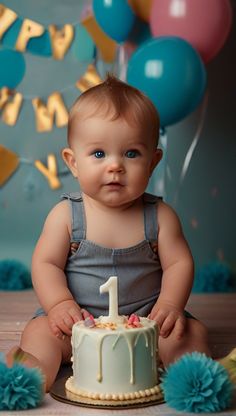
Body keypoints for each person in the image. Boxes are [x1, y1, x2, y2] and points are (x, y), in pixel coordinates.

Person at [7, 75, 211, 392]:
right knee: (40, 333)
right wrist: (59, 303)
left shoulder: (160, 217)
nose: (115, 166)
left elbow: (179, 264)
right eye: (99, 154)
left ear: (153, 161)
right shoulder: (66, 216)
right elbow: (45, 263)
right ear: (73, 162)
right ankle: (31, 373)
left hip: (146, 321)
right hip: (77, 319)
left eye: (131, 153)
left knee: (187, 333)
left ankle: (193, 374)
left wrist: (170, 304)